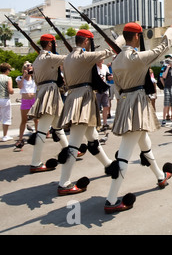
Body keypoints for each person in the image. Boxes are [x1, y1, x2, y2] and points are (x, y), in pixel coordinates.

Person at [104, 21, 172, 213]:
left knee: (145, 144)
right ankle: (111, 200)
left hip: (124, 102)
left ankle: (160, 176)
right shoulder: (136, 57)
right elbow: (162, 47)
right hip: (137, 105)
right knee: (124, 153)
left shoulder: (116, 60)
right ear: (137, 37)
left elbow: (117, 87)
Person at [55, 29, 114, 195]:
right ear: (87, 41)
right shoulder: (84, 56)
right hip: (83, 100)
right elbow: (109, 52)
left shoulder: (66, 58)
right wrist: (119, 40)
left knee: (92, 139)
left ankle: (108, 165)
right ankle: (64, 183)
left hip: (74, 97)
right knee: (74, 143)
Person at [27, 34, 68, 173]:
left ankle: (68, 151)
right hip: (50, 93)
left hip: (45, 91)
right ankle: (35, 162)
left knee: (58, 126)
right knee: (42, 131)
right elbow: (69, 59)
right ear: (50, 44)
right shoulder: (49, 57)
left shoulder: (38, 59)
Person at [15, 61, 37, 151]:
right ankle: (20, 138)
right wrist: (24, 76)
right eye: (27, 69)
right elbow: (20, 87)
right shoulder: (20, 78)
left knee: (37, 120)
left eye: (30, 68)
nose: (29, 70)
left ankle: (38, 136)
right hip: (25, 100)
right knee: (24, 120)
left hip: (34, 99)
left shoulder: (34, 78)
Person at [96, 59, 113, 131]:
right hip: (97, 90)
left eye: (101, 59)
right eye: (98, 60)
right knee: (96, 108)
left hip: (105, 89)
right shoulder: (94, 67)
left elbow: (107, 75)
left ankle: (105, 123)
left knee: (106, 106)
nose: (100, 61)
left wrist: (109, 77)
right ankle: (97, 124)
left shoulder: (105, 67)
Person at [0, 63, 14, 142]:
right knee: (6, 118)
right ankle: (5, 136)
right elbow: (10, 90)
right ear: (7, 70)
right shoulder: (8, 78)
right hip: (4, 99)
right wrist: (11, 92)